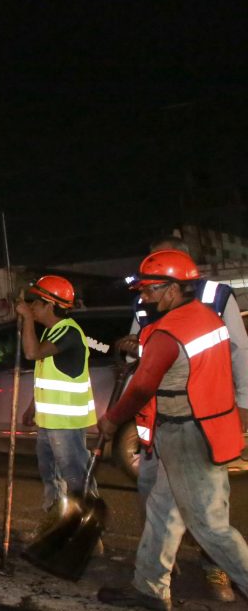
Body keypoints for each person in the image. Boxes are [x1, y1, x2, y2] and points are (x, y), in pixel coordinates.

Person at [98, 250, 248, 611]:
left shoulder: (169, 331)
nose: (143, 297)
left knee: (210, 527)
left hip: (187, 436)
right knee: (164, 512)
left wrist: (113, 419)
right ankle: (149, 588)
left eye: (150, 290)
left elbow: (140, 388)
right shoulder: (204, 318)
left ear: (172, 289)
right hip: (203, 427)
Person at [15, 275, 96, 534]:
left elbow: (32, 353)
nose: (32, 308)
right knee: (51, 478)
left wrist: (26, 320)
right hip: (49, 422)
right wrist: (33, 407)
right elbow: (46, 373)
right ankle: (56, 524)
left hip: (66, 424)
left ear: (49, 304)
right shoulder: (54, 331)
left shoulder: (68, 331)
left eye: (35, 304)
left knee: (75, 479)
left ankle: (88, 533)